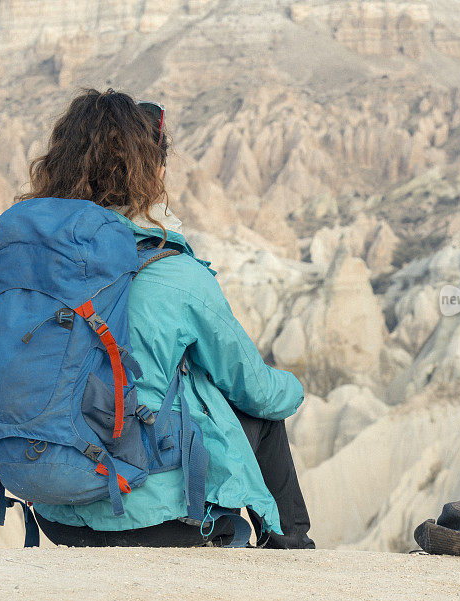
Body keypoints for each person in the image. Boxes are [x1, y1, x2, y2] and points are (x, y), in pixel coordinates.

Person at [17, 88, 315, 549]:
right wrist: (295, 387)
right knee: (258, 413)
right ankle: (294, 553)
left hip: (55, 508)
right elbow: (255, 388)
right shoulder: (175, 273)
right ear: (149, 174)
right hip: (148, 515)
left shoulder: (35, 269)